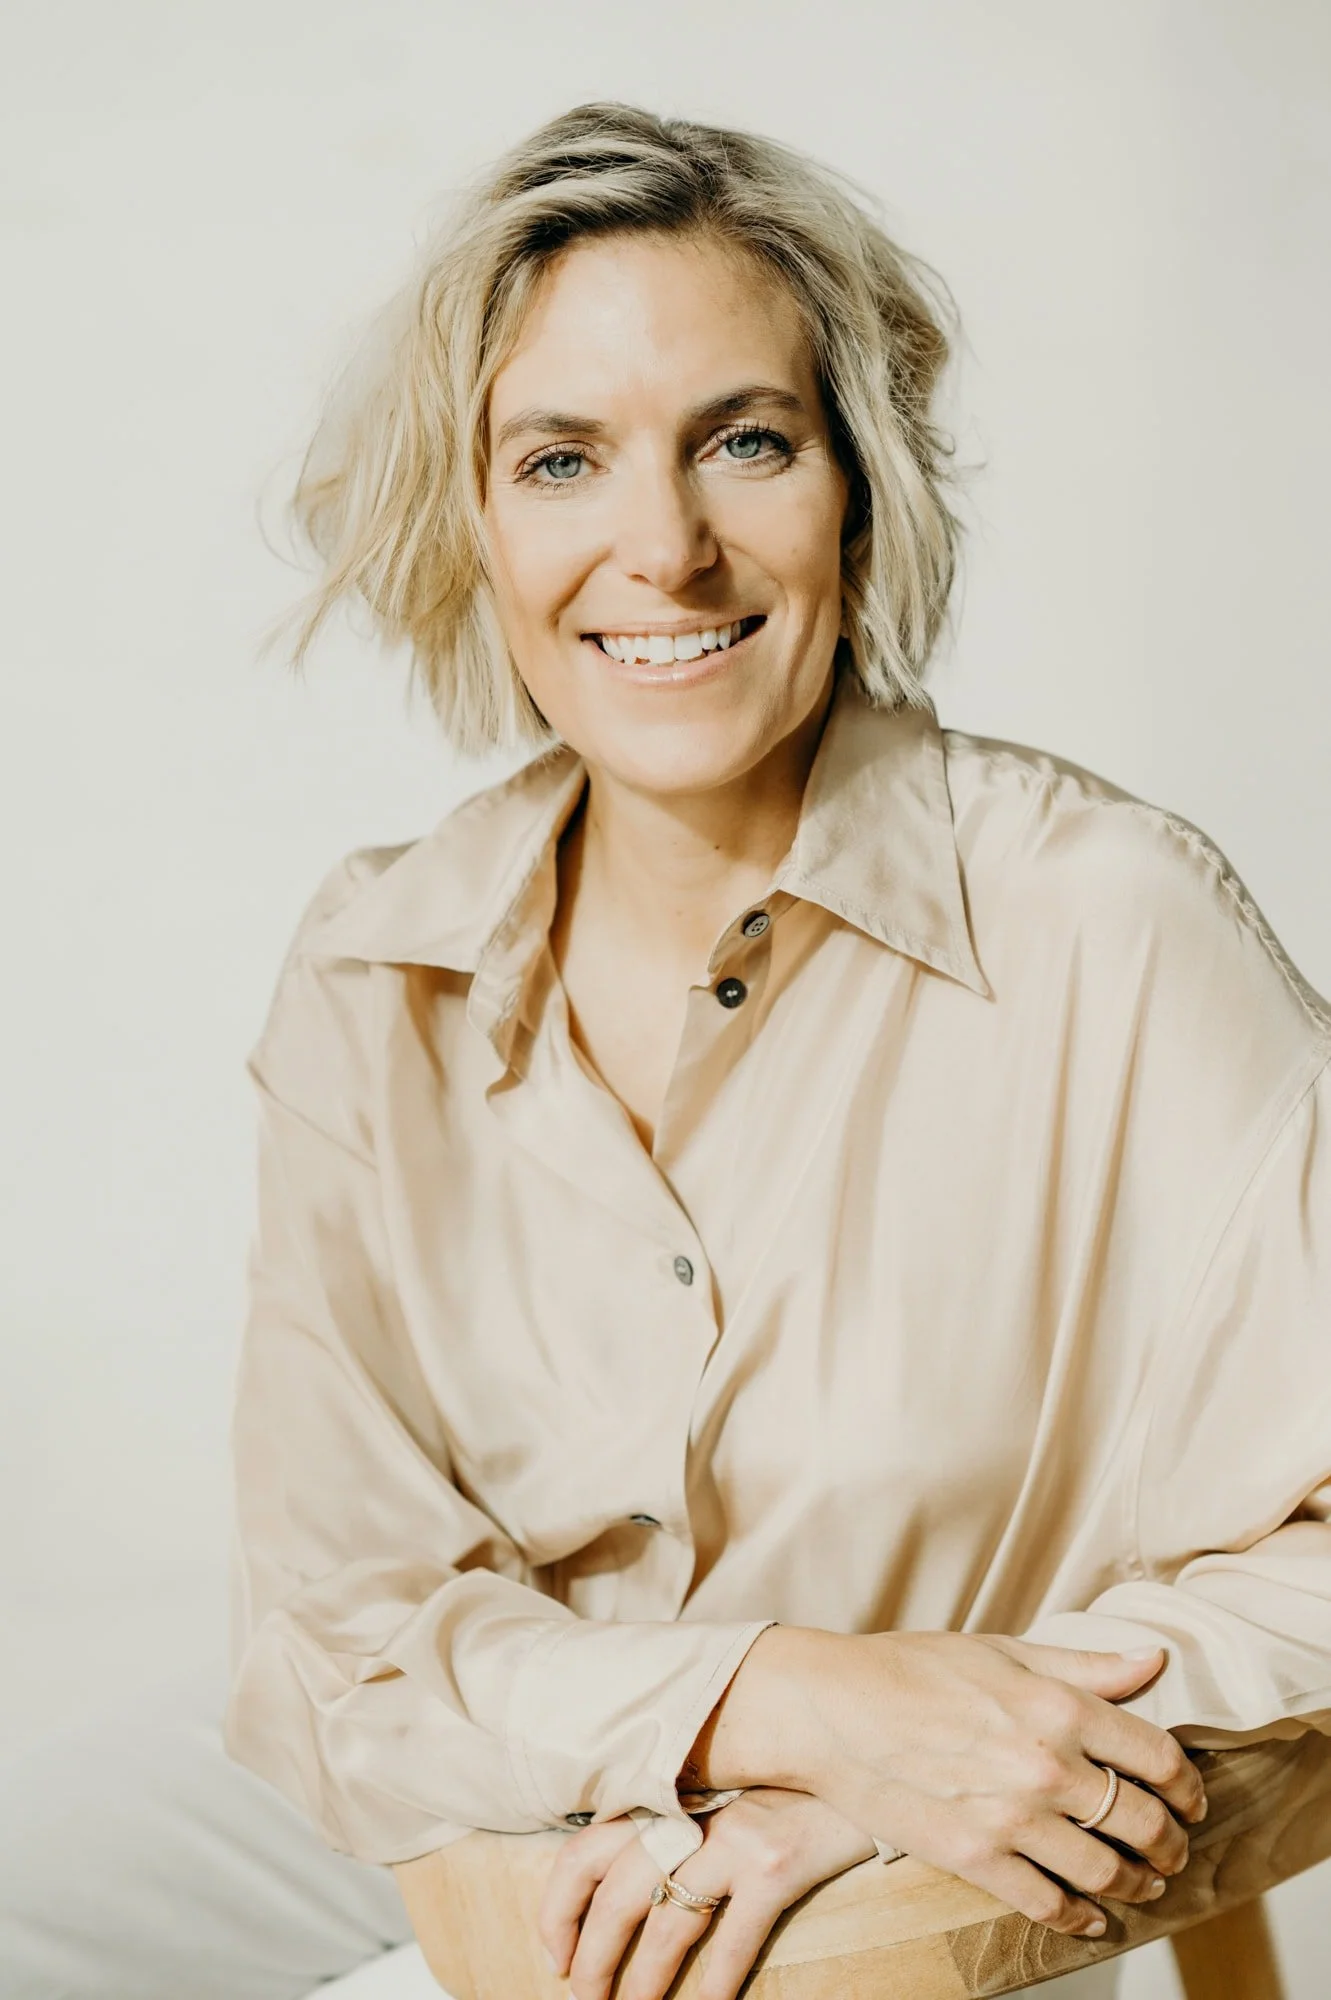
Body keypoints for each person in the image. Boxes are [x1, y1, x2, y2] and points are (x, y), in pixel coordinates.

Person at [7, 99, 1327, 2000]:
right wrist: (784, 1699)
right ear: (471, 523)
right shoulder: (376, 967)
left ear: (857, 488)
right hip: (484, 1787)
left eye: (745, 443)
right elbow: (335, 1640)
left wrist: (914, 1759)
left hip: (897, 1870)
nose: (663, 549)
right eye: (560, 460)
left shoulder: (1097, 916)